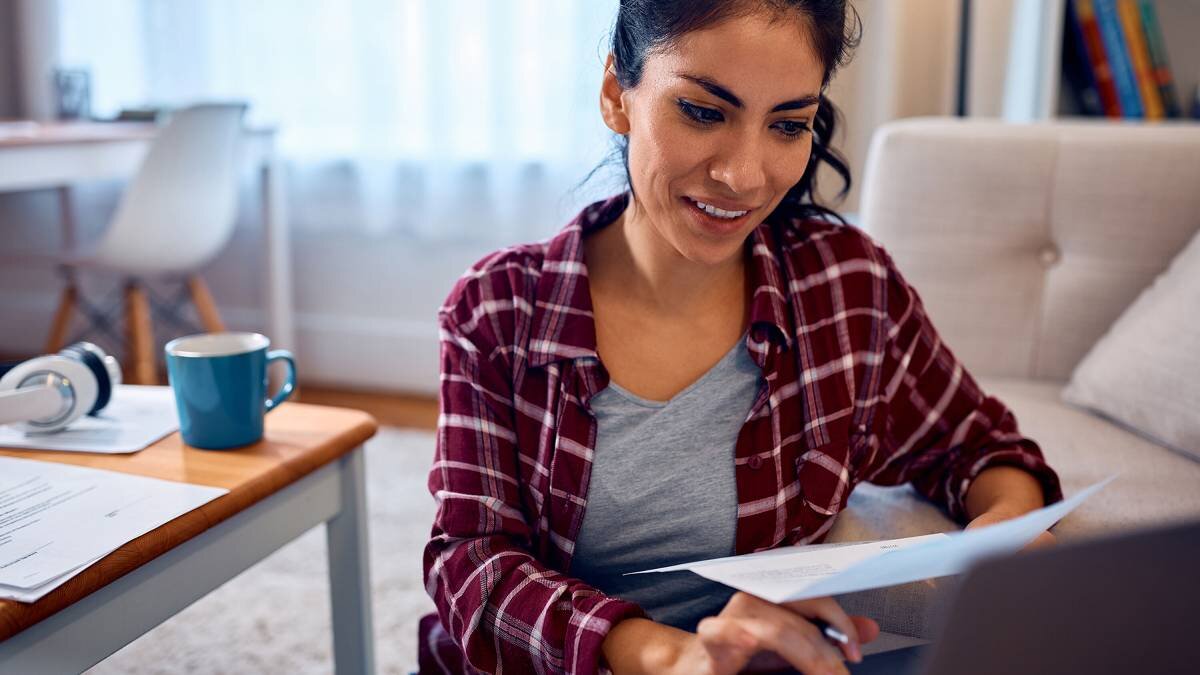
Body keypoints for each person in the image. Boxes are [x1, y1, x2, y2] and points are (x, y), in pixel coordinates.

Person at [419, 1, 1063, 673]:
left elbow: (978, 444)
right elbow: (472, 562)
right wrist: (670, 655)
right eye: (703, 111)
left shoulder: (847, 285)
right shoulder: (498, 310)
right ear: (617, 95)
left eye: (787, 124)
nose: (746, 177)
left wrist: (1007, 526)